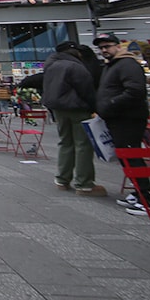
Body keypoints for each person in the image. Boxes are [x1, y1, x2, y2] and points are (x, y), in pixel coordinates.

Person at [93, 32, 150, 216]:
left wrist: (111, 104)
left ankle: (148, 200)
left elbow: (136, 91)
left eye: (107, 46)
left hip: (127, 118)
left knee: (132, 156)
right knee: (126, 156)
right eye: (101, 48)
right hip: (118, 118)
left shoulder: (127, 64)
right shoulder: (113, 65)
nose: (104, 50)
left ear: (118, 46)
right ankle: (139, 193)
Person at [41, 42, 105, 195]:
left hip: (58, 109)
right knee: (83, 144)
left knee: (65, 142)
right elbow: (86, 90)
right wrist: (94, 108)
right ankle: (84, 184)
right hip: (77, 109)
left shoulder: (50, 65)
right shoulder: (75, 66)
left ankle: (62, 179)